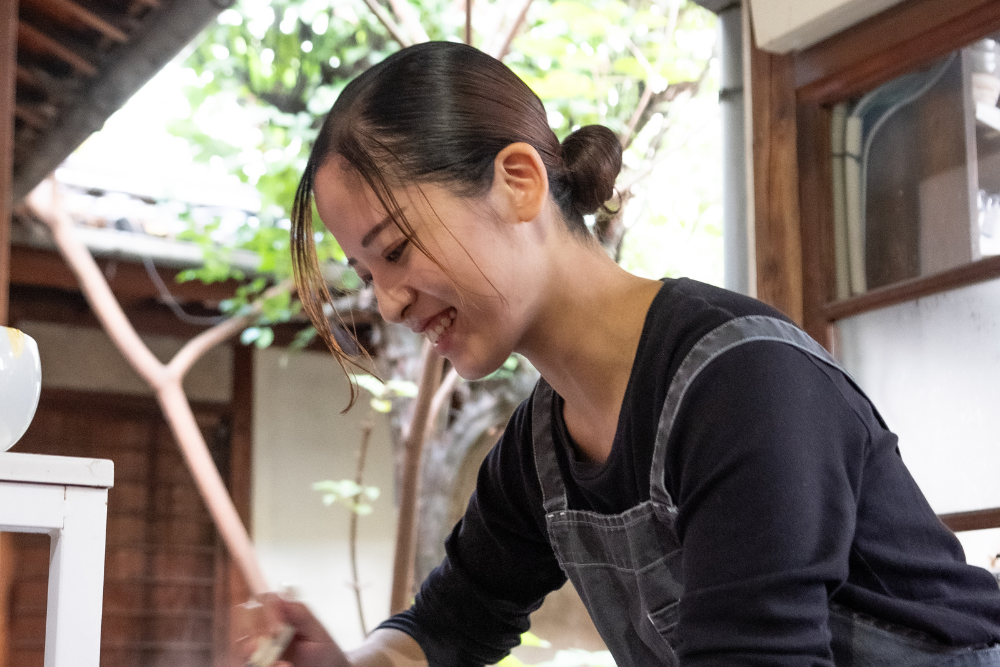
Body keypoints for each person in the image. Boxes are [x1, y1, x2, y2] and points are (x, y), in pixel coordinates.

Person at [239, 41, 1000, 666]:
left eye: (397, 250)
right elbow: (448, 625)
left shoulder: (741, 385)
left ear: (518, 181)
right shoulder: (538, 452)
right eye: (369, 276)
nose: (390, 303)